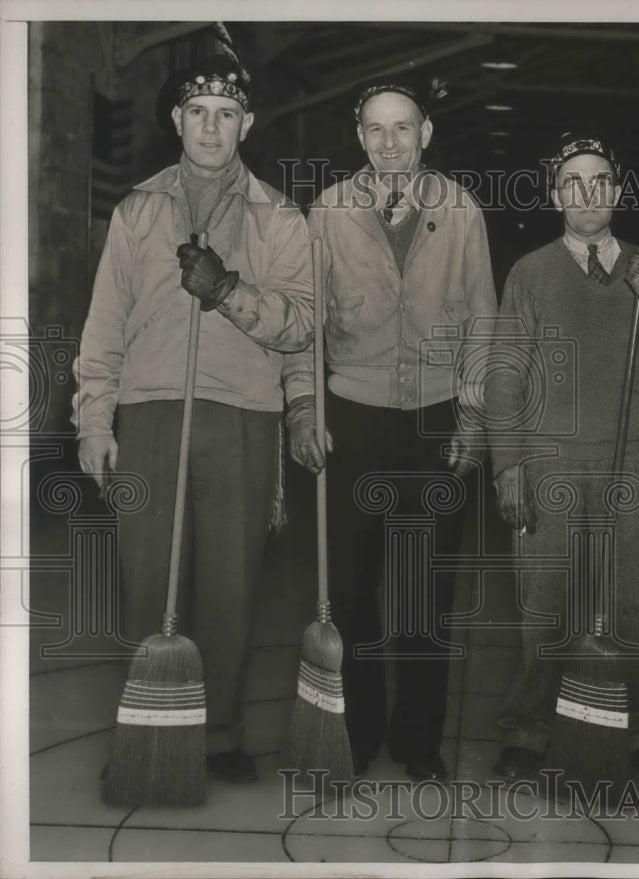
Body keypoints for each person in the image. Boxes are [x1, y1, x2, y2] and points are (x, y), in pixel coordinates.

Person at [75, 55, 314, 785]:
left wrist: (230, 292)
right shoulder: (137, 211)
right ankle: (153, 735)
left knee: (229, 586)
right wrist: (94, 418)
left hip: (241, 415)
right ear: (177, 121)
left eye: (227, 113)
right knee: (150, 582)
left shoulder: (280, 216)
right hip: (148, 412)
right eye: (199, 112)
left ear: (247, 123)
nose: (212, 127)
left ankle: (217, 736)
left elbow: (302, 324)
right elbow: (104, 324)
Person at [283, 77, 497, 782]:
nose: (389, 144)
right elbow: (305, 328)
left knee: (423, 592)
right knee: (352, 590)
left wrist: (472, 418)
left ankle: (418, 741)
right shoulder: (328, 214)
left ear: (426, 133)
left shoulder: (461, 210)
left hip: (436, 424)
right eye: (375, 130)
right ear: (359, 137)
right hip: (354, 419)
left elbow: (482, 321)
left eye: (402, 128)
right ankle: (357, 731)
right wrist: (307, 409)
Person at [485, 135, 639, 782]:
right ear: (556, 195)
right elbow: (505, 375)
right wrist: (509, 463)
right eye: (572, 182)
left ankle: (635, 733)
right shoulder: (531, 270)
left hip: (630, 459)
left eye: (599, 180)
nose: (587, 194)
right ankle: (530, 728)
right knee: (546, 603)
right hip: (548, 459)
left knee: (628, 602)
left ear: (617, 190)